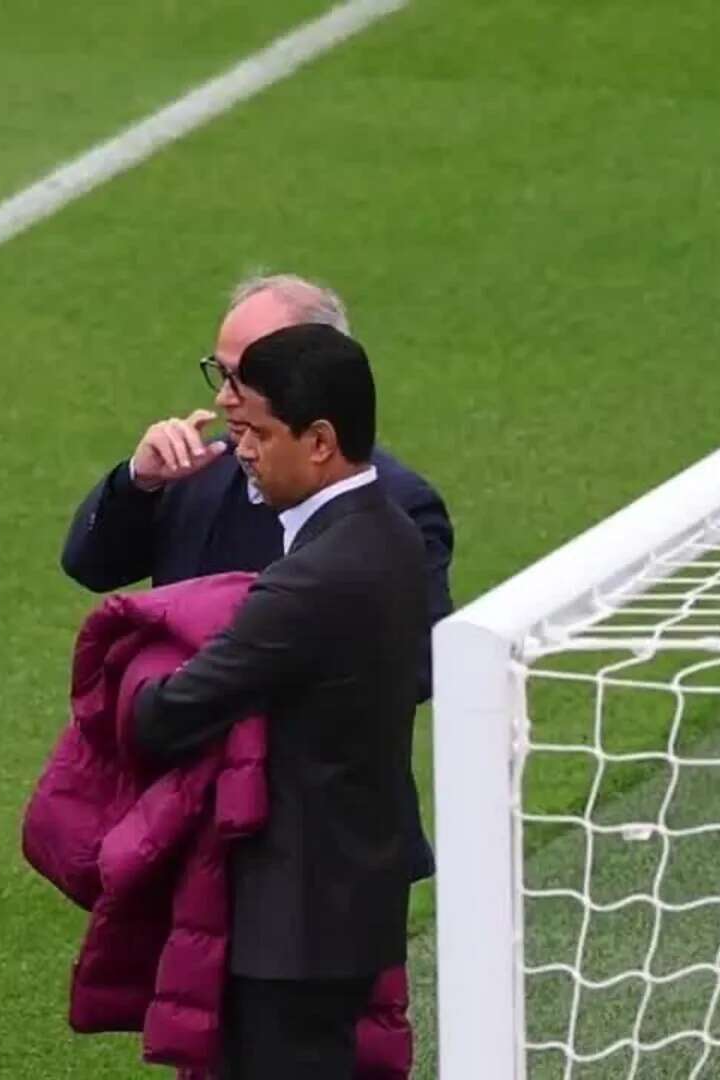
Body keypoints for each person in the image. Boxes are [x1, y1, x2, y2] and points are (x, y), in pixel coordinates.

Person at [61, 273, 450, 879]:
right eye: (222, 373)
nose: (225, 399)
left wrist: (239, 678)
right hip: (180, 816)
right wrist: (137, 481)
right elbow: (89, 565)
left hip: (313, 845)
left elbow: (419, 665)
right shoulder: (197, 472)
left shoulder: (394, 506)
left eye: (246, 376)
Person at [131, 323, 426, 1079]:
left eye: (258, 433)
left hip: (292, 927)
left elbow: (164, 715)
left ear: (320, 440)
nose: (243, 452)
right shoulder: (392, 532)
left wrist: (137, 664)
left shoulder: (313, 579)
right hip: (348, 904)